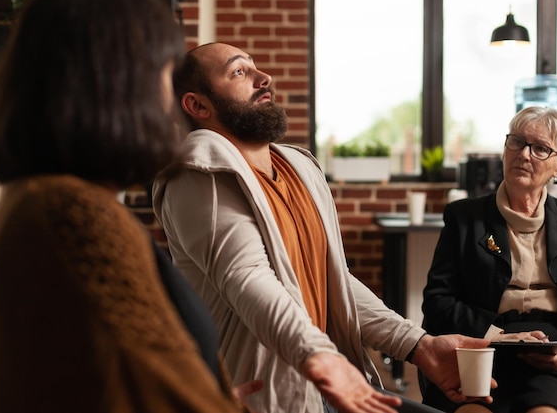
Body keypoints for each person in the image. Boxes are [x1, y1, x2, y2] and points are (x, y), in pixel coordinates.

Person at [152, 42, 496, 413]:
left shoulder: (297, 168)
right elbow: (249, 279)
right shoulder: (200, 172)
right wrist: (322, 358)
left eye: (255, 66)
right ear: (198, 105)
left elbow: (336, 281)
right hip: (266, 398)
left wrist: (419, 345)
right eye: (239, 72)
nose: (263, 77)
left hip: (329, 385)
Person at [0, 0, 258, 412]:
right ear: (120, 84)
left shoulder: (40, 200)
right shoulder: (72, 214)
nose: (170, 100)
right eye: (164, 73)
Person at [420, 106, 557, 413]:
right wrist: (497, 336)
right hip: (479, 349)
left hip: (552, 358)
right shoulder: (464, 218)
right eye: (517, 142)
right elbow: (438, 302)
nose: (524, 154)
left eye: (540, 148)